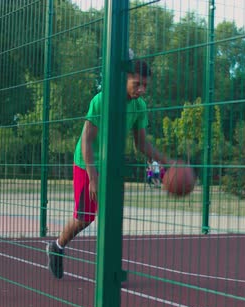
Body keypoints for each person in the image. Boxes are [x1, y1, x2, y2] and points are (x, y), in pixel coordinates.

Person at [46, 60, 172, 279]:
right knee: (85, 218)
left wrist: (168, 162)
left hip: (110, 164)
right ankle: (57, 246)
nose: (142, 89)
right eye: (138, 83)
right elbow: (87, 141)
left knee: (112, 216)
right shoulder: (102, 100)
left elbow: (141, 144)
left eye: (146, 86)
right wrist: (93, 177)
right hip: (87, 163)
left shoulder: (139, 106)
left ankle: (109, 269)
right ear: (125, 79)